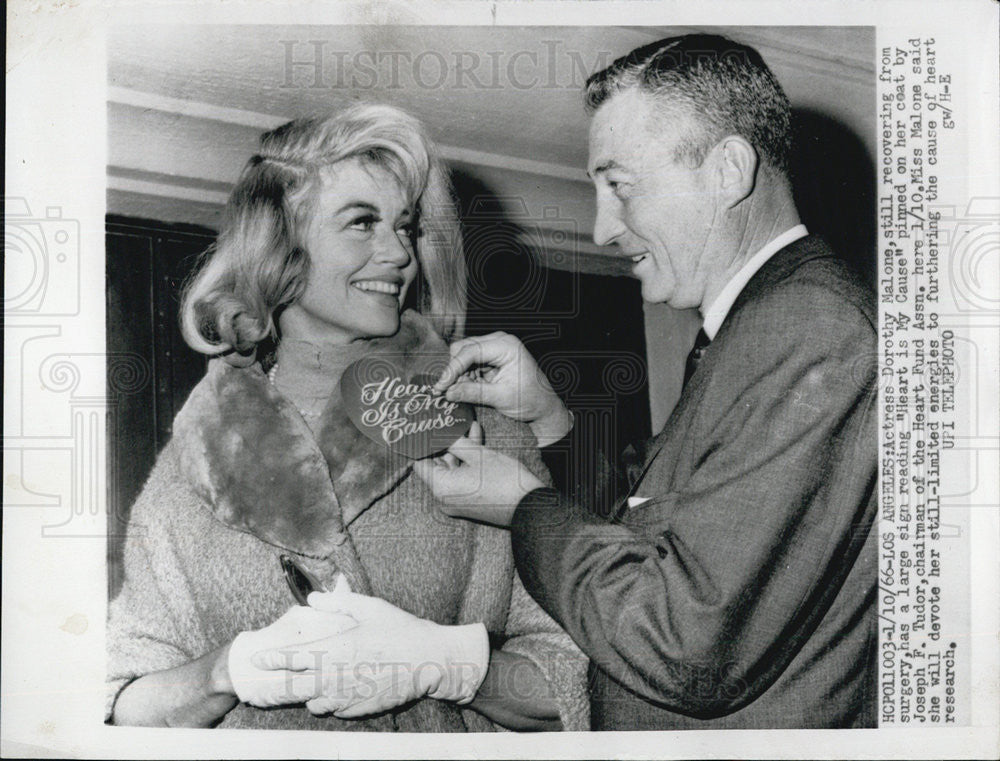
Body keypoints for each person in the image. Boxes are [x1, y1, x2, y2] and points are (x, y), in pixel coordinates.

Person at [412, 34, 878, 729]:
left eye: (620, 186)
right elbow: (653, 546)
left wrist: (524, 506)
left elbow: (683, 641)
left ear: (728, 170)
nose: (602, 228)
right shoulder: (755, 328)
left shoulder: (808, 325)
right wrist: (548, 419)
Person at [106, 103, 588, 732]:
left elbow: (579, 681)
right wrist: (224, 672)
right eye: (363, 223)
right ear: (282, 249)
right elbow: (121, 700)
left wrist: (455, 667)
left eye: (406, 227)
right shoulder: (188, 470)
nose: (399, 254)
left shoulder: (484, 429)